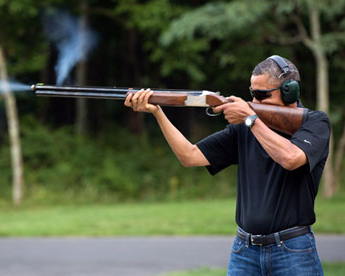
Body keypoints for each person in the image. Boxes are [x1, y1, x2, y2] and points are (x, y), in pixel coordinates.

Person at [124, 55, 330, 276]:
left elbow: (291, 158)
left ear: (290, 91)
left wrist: (251, 119)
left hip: (292, 250)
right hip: (245, 250)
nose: (254, 101)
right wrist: (158, 112)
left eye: (261, 95)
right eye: (252, 93)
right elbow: (189, 156)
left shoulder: (314, 122)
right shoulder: (244, 128)